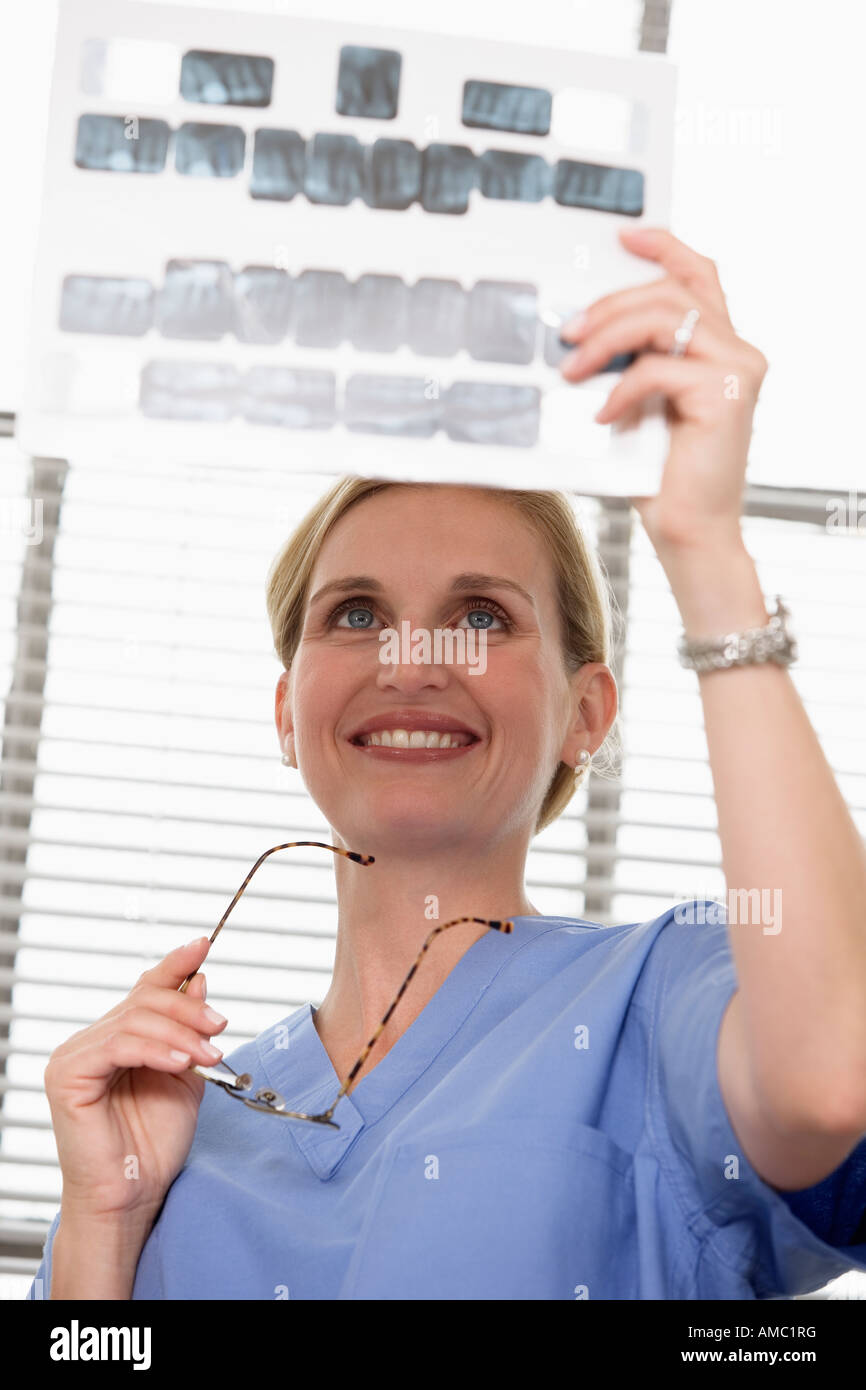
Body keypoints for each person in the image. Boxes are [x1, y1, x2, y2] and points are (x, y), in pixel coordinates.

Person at [29, 228, 866, 1300]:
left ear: (586, 712)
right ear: (289, 712)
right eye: (357, 614)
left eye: (479, 614)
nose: (411, 660)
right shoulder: (166, 1125)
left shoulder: (662, 997)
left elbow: (830, 1076)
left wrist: (705, 545)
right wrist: (102, 1230)